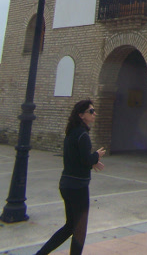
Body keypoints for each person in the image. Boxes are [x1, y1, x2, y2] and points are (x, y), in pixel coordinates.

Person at [35, 99, 105, 255]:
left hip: (66, 184)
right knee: (80, 229)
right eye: (91, 111)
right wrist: (96, 156)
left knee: (70, 226)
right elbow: (86, 159)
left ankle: (40, 254)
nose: (94, 114)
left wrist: (92, 161)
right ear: (81, 115)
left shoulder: (72, 133)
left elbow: (78, 159)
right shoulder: (83, 135)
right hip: (78, 187)